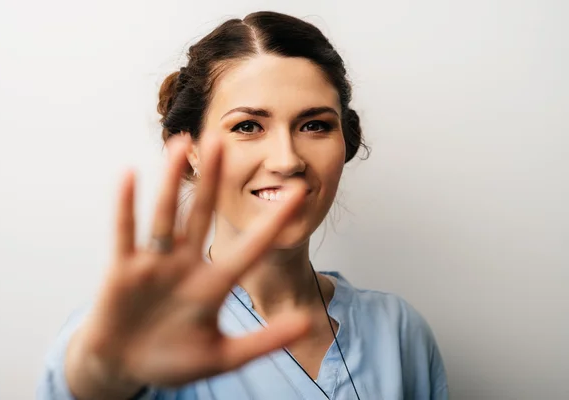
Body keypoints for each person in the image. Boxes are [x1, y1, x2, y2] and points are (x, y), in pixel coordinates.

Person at [37, 10, 448, 400]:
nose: (287, 159)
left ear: (345, 142)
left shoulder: (398, 331)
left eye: (315, 125)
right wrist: (107, 372)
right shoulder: (143, 326)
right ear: (190, 150)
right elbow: (90, 377)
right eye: (247, 126)